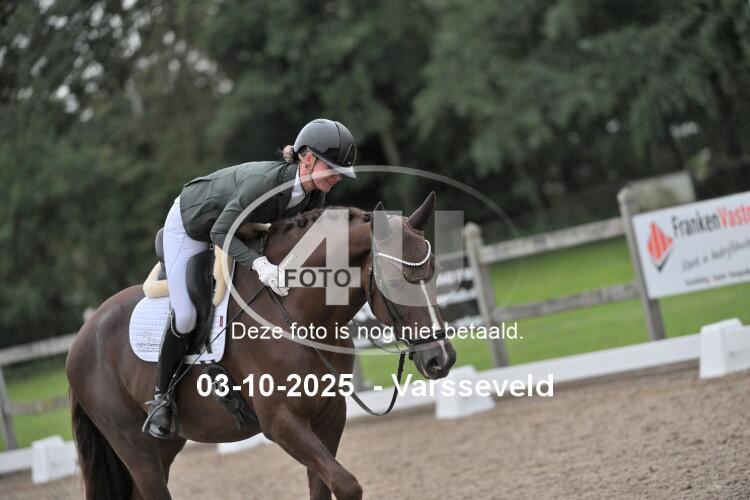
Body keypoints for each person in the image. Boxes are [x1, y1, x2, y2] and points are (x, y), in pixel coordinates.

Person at [143, 118, 357, 439]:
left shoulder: (314, 194)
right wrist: (259, 264)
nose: (338, 176)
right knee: (186, 314)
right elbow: (219, 232)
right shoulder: (265, 183)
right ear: (308, 159)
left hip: (238, 224)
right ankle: (161, 397)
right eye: (333, 168)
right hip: (193, 225)